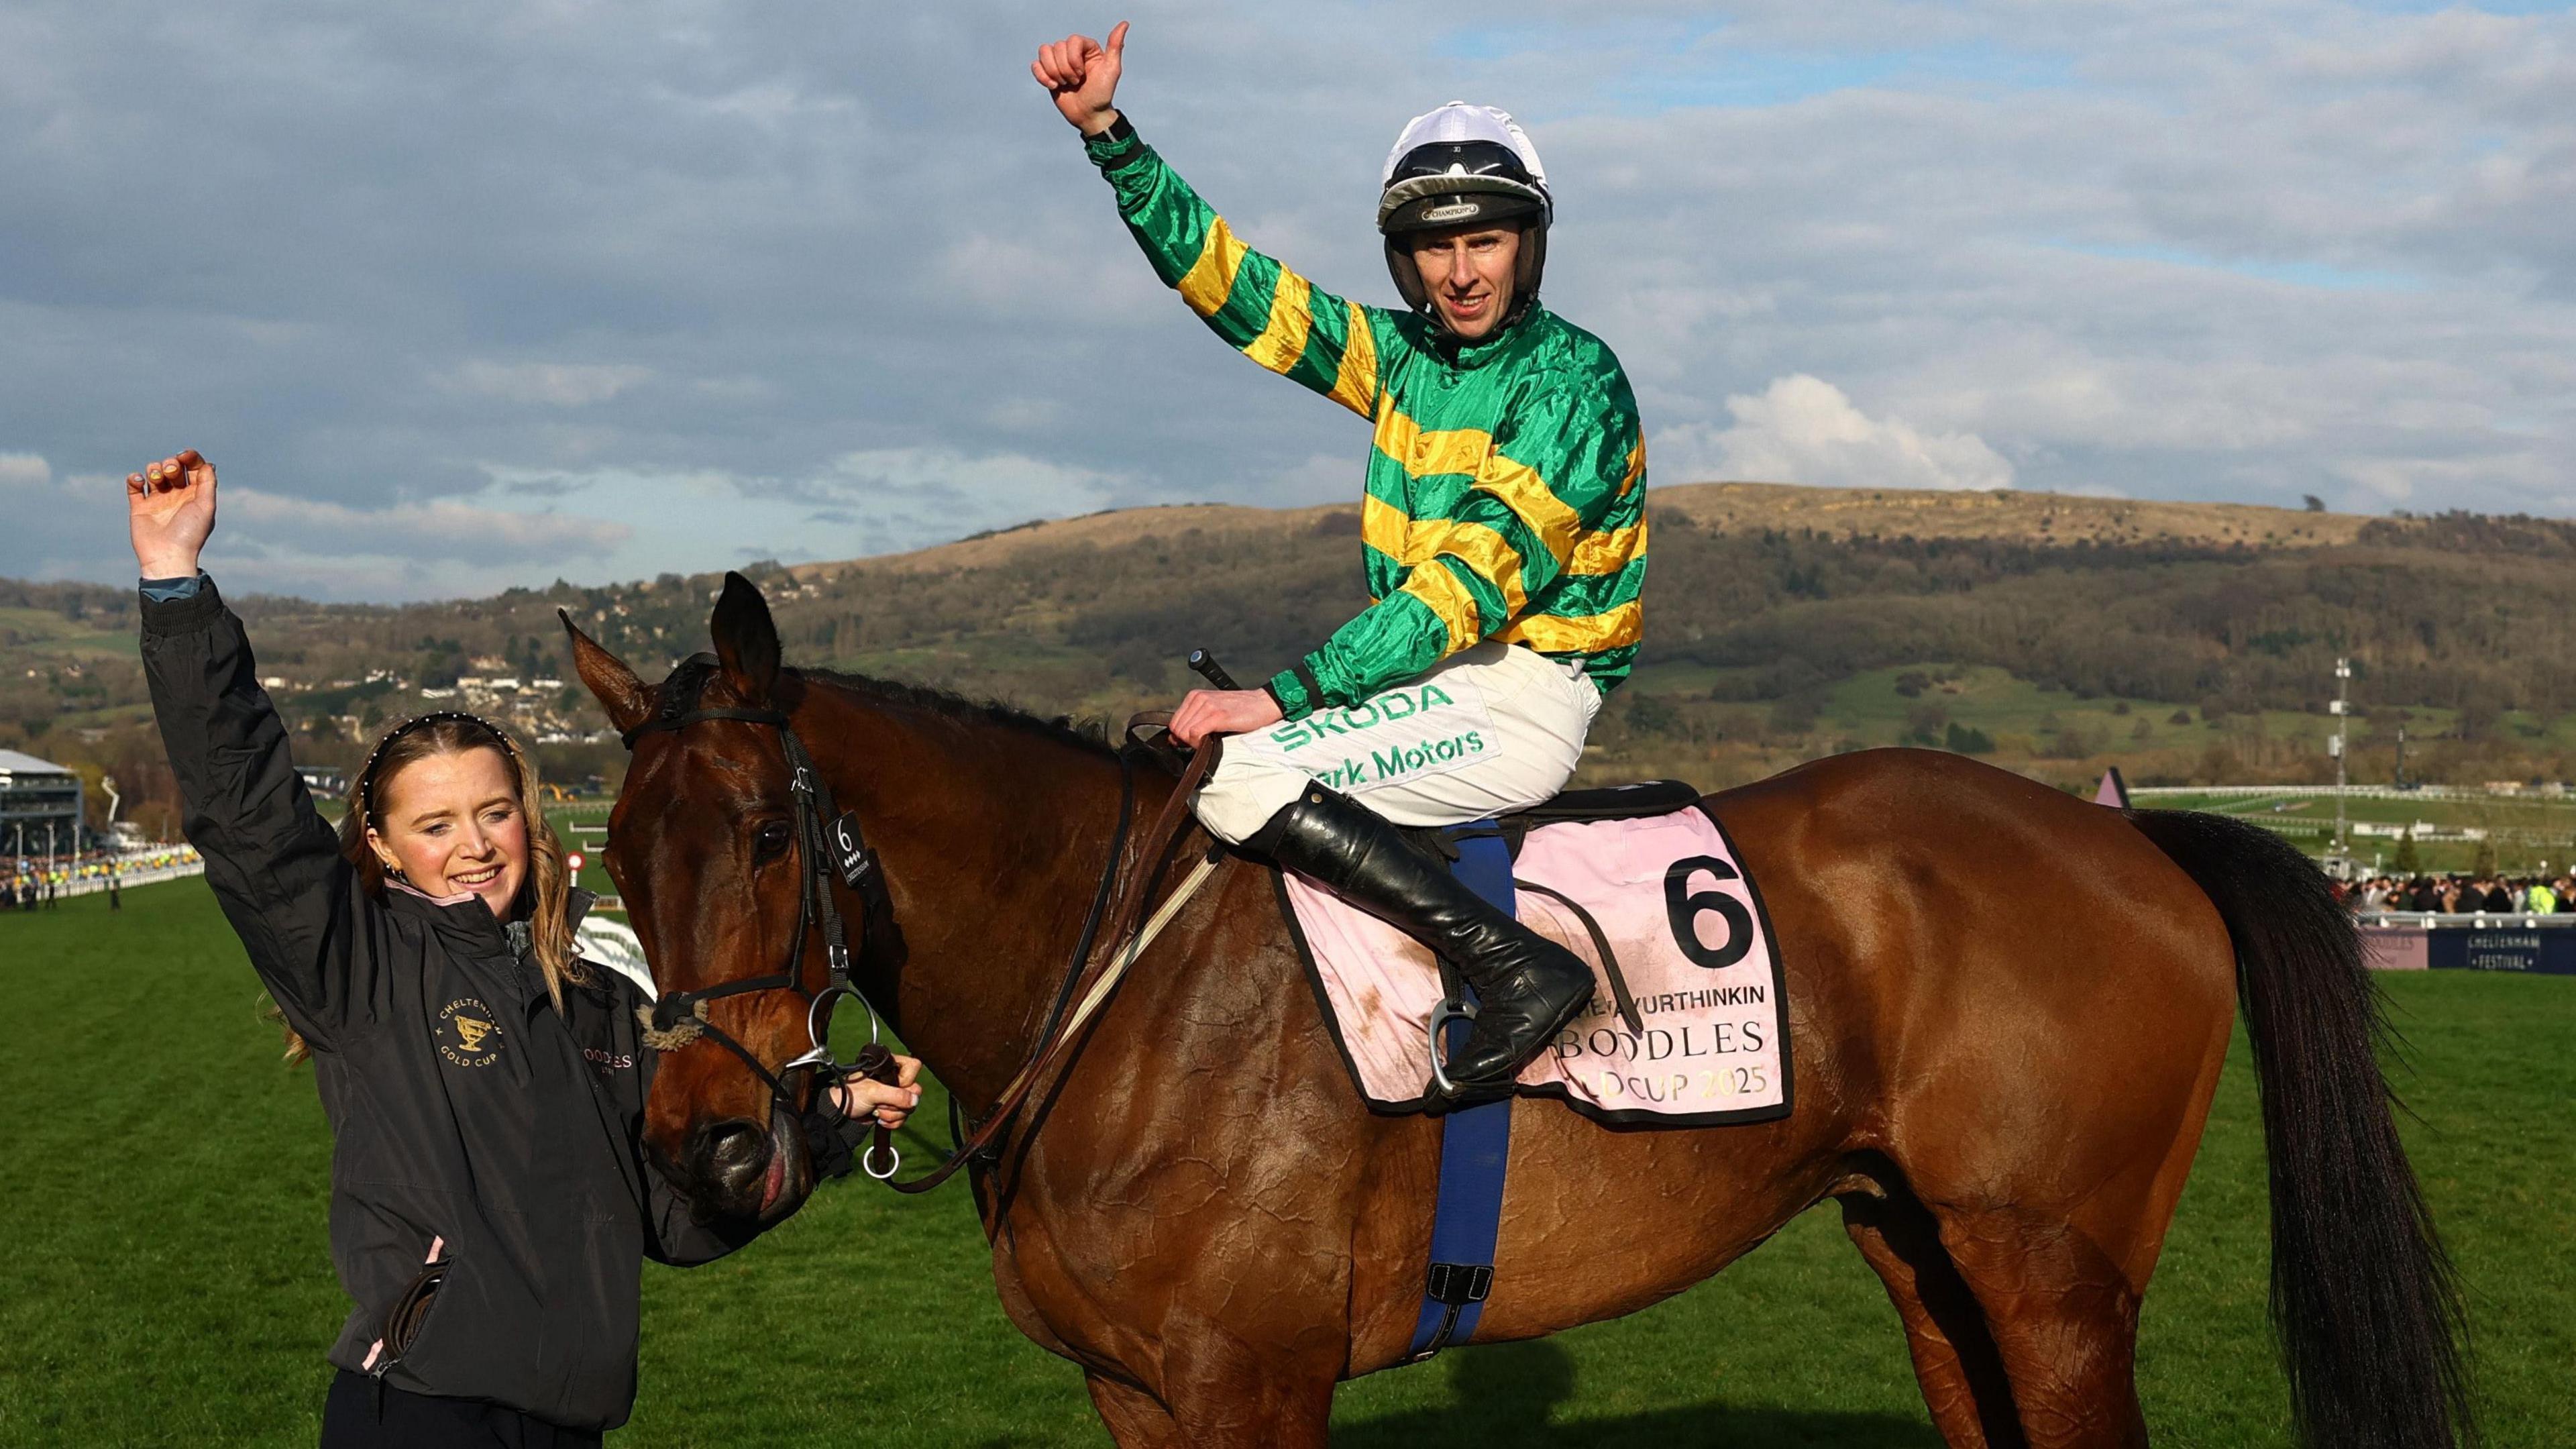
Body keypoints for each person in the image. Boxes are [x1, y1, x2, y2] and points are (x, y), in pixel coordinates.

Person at [125, 449, 923, 1446]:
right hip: (421, 1414)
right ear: (379, 844)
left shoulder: (602, 1004)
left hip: (571, 1427)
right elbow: (246, 811)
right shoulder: (358, 968)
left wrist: (832, 1113)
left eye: (493, 813)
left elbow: (677, 1218)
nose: (472, 846)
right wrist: (174, 583)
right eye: (435, 824)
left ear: (526, 819)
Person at [1034, 25, 1649, 1105]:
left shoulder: (1573, 383)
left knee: (1243, 773)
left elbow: (1461, 592)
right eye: (1433, 250)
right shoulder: (1403, 359)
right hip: (1437, 685)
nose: (1459, 274)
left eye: (1487, 244)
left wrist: (1281, 697)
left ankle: (1519, 970)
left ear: (1529, 246)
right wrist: (1108, 136)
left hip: (1523, 695)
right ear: (1404, 259)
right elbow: (1242, 295)